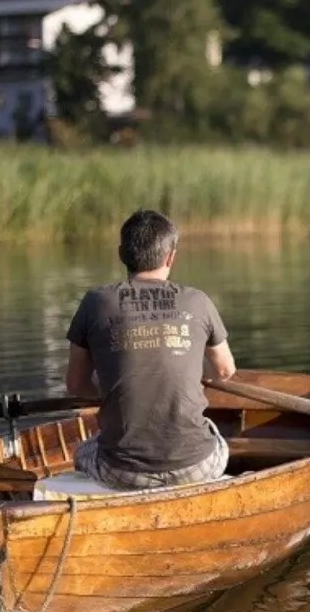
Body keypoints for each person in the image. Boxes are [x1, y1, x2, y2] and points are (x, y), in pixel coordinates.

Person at [65, 209, 237, 490]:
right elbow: (225, 370)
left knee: (81, 451)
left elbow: (76, 384)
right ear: (171, 256)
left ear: (121, 254)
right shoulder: (198, 301)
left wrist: (114, 387)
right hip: (196, 467)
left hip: (121, 472)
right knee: (217, 440)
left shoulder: (95, 302)